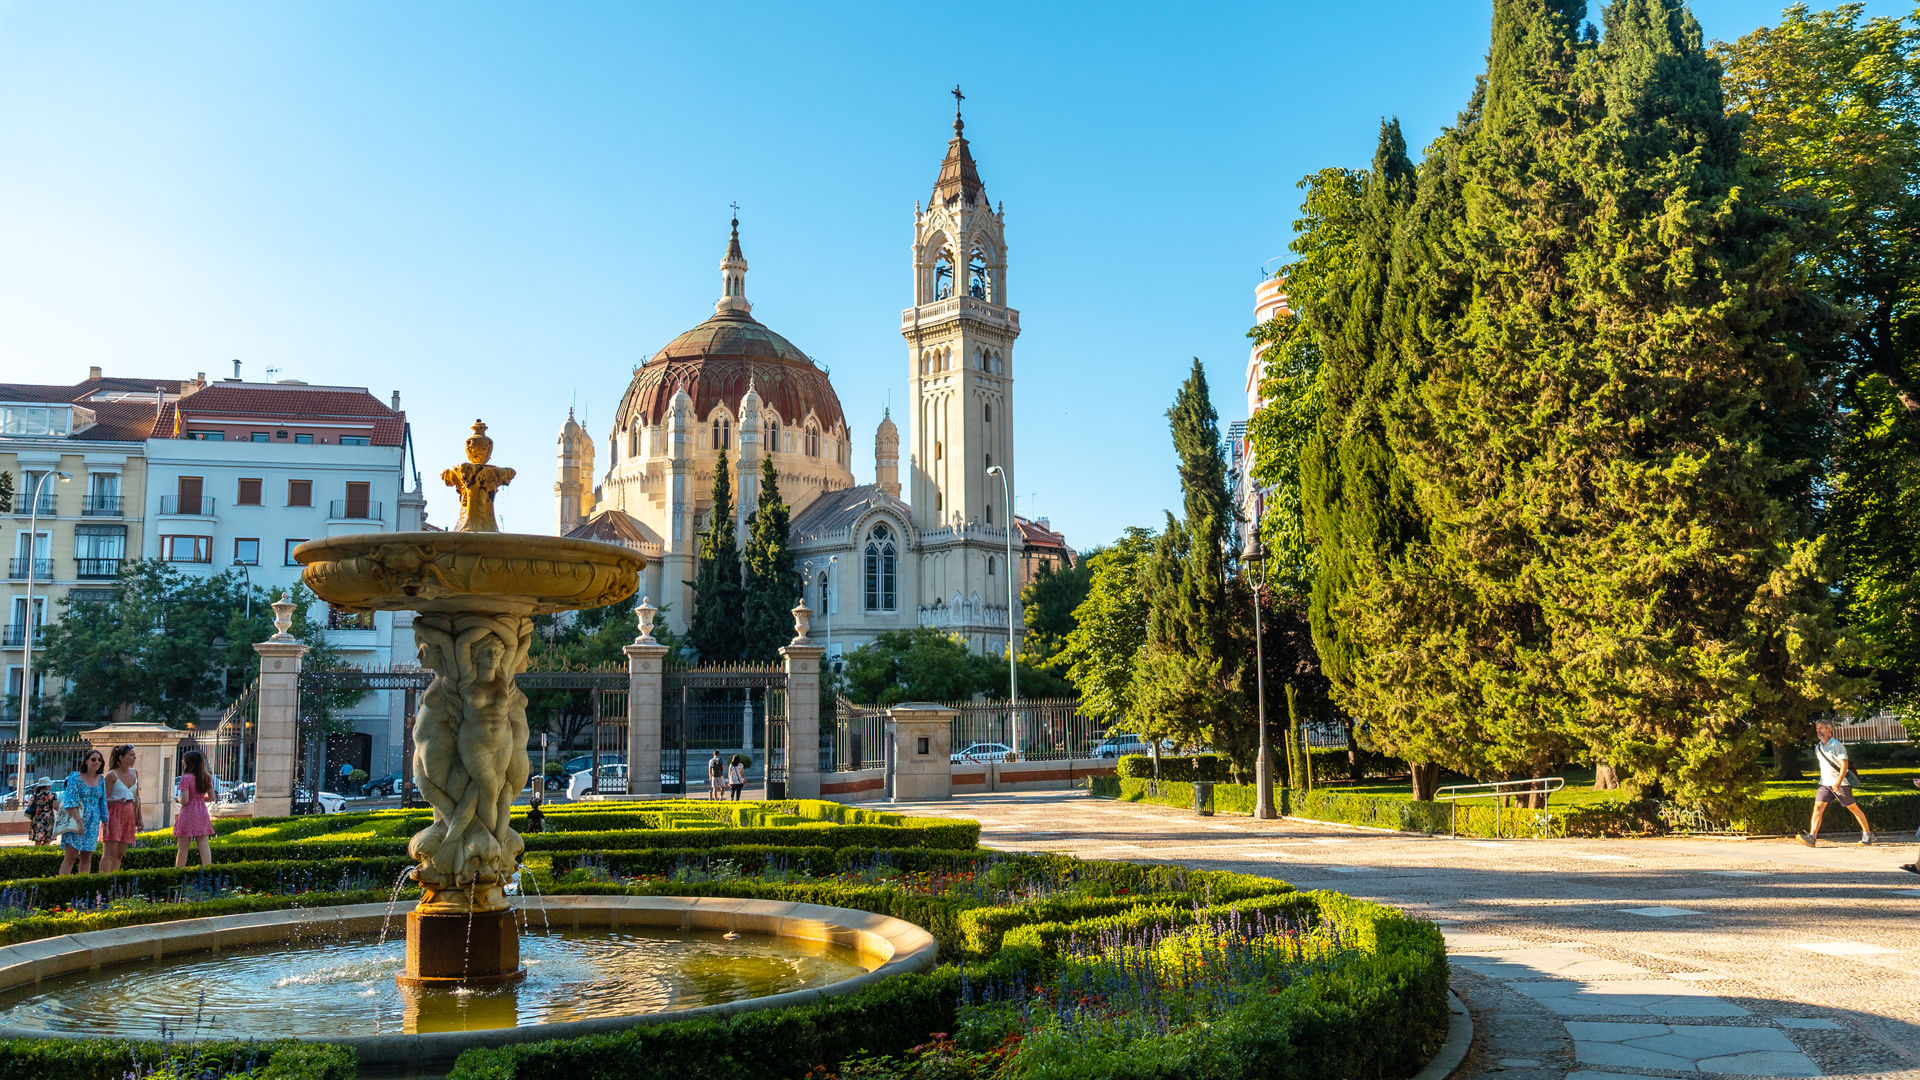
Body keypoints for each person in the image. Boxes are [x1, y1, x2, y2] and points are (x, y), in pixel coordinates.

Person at [1800, 718, 1873, 847]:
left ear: (1829, 729)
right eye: (1817, 729)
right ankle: (1812, 836)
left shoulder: (1836, 745)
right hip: (1825, 783)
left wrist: (1839, 782)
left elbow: (1844, 764)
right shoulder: (1818, 747)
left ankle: (1868, 834)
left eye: (1821, 728)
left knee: (1853, 808)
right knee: (1818, 807)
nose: (1818, 731)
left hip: (1840, 784)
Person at [57, 748, 108, 875]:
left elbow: (103, 802)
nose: (97, 762)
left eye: (99, 760)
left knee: (87, 856)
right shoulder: (75, 777)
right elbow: (70, 801)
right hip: (76, 819)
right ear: (86, 761)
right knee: (71, 856)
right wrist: (79, 821)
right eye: (93, 759)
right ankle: (61, 886)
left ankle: (82, 885)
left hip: (93, 821)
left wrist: (105, 823)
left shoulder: (101, 779)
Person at [99, 744, 143, 873]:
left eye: (134, 755)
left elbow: (137, 797)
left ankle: (114, 880)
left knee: (120, 854)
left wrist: (139, 818)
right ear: (121, 757)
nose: (134, 758)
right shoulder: (111, 775)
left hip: (129, 814)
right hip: (114, 813)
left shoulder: (135, 773)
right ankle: (103, 880)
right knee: (109, 852)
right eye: (131, 755)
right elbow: (103, 800)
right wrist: (117, 801)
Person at [174, 750, 215, 868]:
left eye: (184, 760)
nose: (182, 762)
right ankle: (208, 870)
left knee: (182, 848)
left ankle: (178, 872)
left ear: (189, 762)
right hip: (202, 812)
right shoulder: (206, 777)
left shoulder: (186, 778)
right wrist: (200, 799)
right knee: (204, 845)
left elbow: (185, 799)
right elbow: (212, 797)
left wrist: (178, 799)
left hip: (188, 813)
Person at [26, 778, 59, 847]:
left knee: (38, 839)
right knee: (48, 838)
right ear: (47, 786)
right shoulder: (52, 795)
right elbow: (55, 806)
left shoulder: (35, 795)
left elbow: (29, 805)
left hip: (36, 818)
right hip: (48, 818)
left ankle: (37, 854)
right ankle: (43, 850)